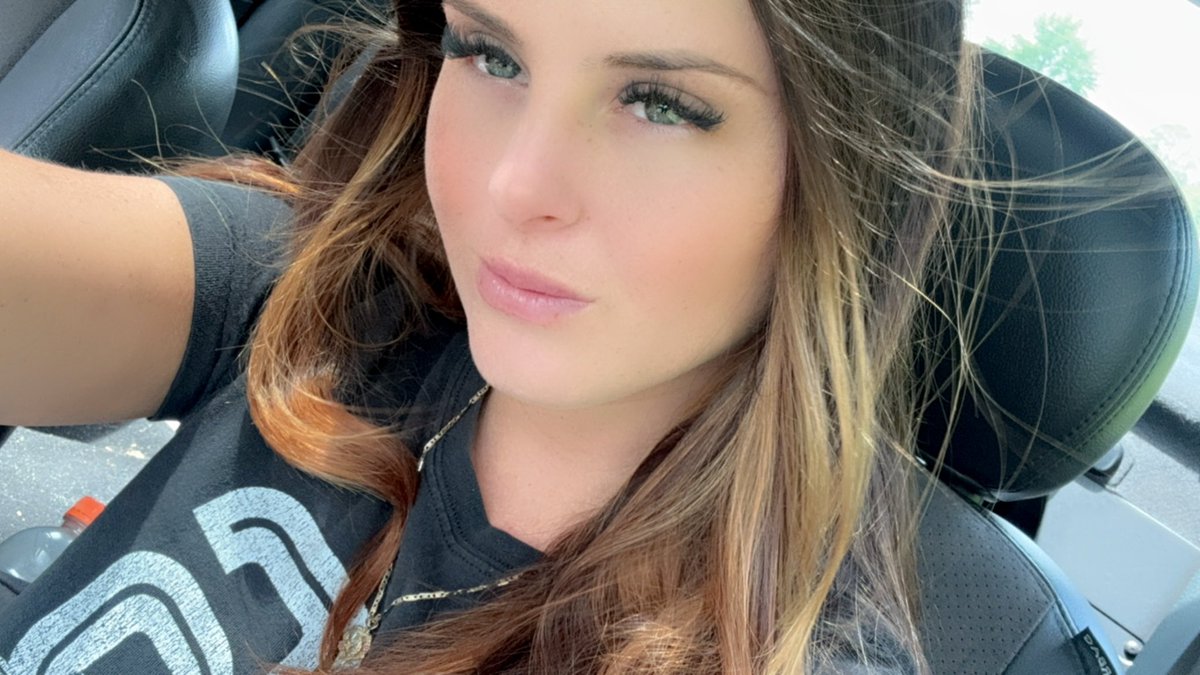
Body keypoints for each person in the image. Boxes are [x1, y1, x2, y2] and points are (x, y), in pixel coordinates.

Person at [0, 0, 982, 672]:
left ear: (841, 188)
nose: (515, 183)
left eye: (662, 104)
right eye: (491, 55)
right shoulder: (325, 297)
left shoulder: (798, 650)